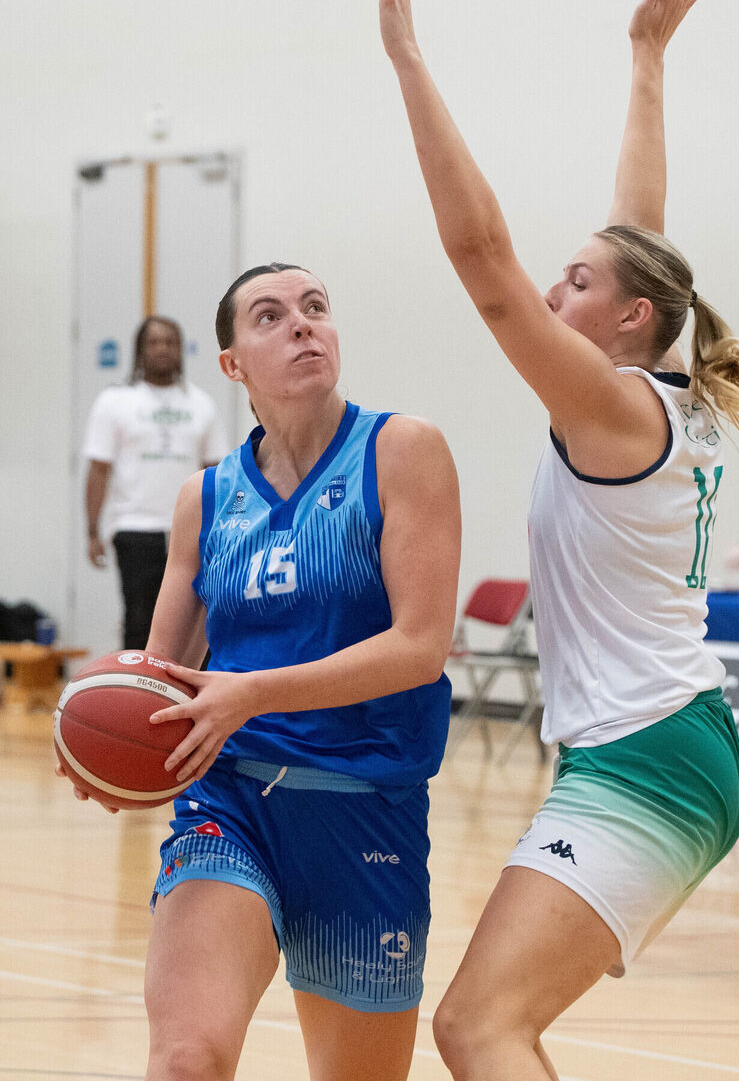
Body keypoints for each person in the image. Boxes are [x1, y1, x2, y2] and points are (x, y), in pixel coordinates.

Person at [381, 0, 739, 1079]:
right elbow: (642, 234)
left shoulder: (617, 413)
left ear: (625, 322)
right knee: (483, 1025)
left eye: (576, 281)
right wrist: (645, 59)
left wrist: (407, 59)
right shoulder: (658, 388)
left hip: (649, 751)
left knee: (477, 1027)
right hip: (657, 741)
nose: (552, 289)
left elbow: (480, 260)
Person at [63, 264, 461, 1081]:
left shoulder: (402, 450)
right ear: (233, 365)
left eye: (316, 309)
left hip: (365, 809)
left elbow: (419, 646)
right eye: (271, 316)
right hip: (231, 802)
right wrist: (106, 751)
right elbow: (160, 678)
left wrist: (252, 692)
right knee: (185, 1059)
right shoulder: (203, 501)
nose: (303, 325)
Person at [83, 315, 229, 648]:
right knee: (139, 621)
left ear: (180, 350)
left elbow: (216, 473)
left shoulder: (202, 404)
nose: (162, 348)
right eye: (154, 342)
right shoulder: (115, 402)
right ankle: (136, 698)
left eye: (170, 342)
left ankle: (188, 698)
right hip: (135, 530)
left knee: (196, 625)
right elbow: (98, 470)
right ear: (139, 351)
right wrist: (92, 531)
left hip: (192, 532)